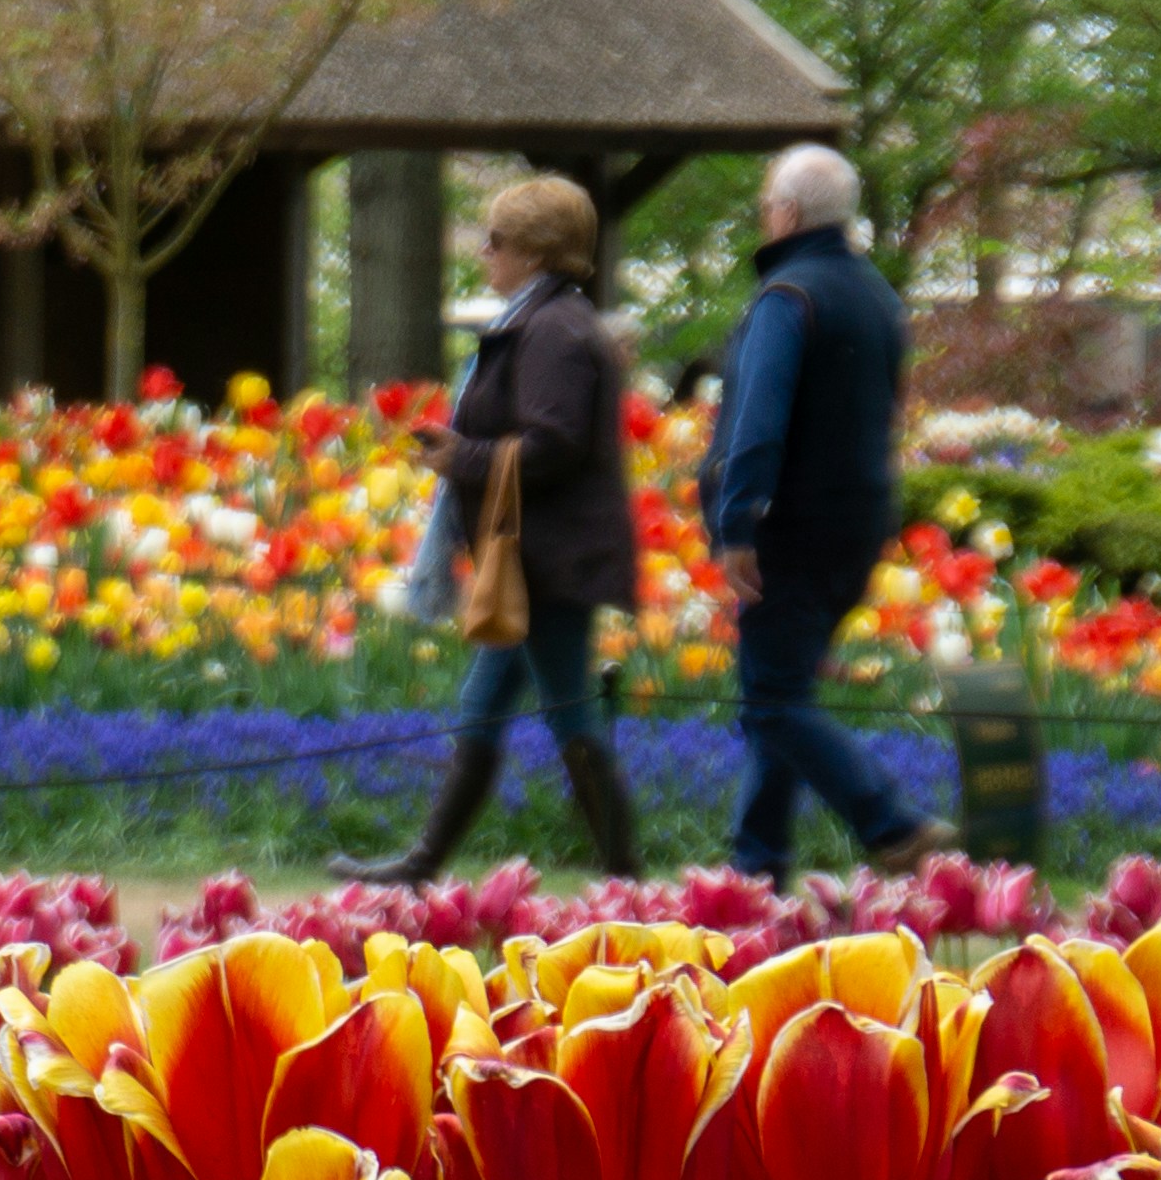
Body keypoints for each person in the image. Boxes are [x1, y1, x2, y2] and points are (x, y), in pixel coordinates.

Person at [340, 175, 638, 882]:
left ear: (534, 251)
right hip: (531, 562)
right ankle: (422, 863)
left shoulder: (554, 331)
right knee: (481, 709)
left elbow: (554, 442)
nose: (485, 252)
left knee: (570, 717)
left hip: (550, 566)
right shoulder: (543, 320)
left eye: (496, 240)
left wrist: (463, 456)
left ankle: (626, 876)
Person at [701, 143, 934, 877]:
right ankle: (757, 868)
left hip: (790, 527)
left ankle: (888, 820)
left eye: (767, 204)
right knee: (785, 690)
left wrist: (737, 520)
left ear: (787, 213)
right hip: (860, 521)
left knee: (771, 701)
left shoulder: (787, 298)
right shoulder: (877, 297)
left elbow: (758, 420)